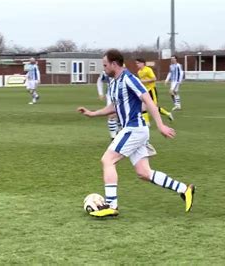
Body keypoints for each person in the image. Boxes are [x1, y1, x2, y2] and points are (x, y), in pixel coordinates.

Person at [78, 49, 195, 217]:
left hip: (134, 128)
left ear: (114, 64)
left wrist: (160, 125)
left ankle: (111, 205)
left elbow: (148, 101)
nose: (103, 69)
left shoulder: (129, 79)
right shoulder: (113, 83)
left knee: (107, 160)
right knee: (144, 173)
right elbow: (114, 107)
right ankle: (185, 189)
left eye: (105, 65)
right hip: (131, 129)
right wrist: (92, 113)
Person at [136, 58, 174, 124]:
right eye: (136, 63)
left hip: (151, 90)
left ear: (143, 63)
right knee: (143, 106)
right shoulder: (139, 72)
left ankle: (168, 114)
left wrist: (144, 81)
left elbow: (154, 78)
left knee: (154, 107)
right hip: (145, 91)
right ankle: (147, 123)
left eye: (138, 63)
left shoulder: (148, 70)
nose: (137, 65)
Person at [97, 70, 119, 140]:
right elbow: (99, 81)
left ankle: (119, 133)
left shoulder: (123, 70)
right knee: (111, 115)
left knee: (121, 115)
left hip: (123, 96)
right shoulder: (105, 72)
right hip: (110, 96)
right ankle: (113, 137)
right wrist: (100, 93)